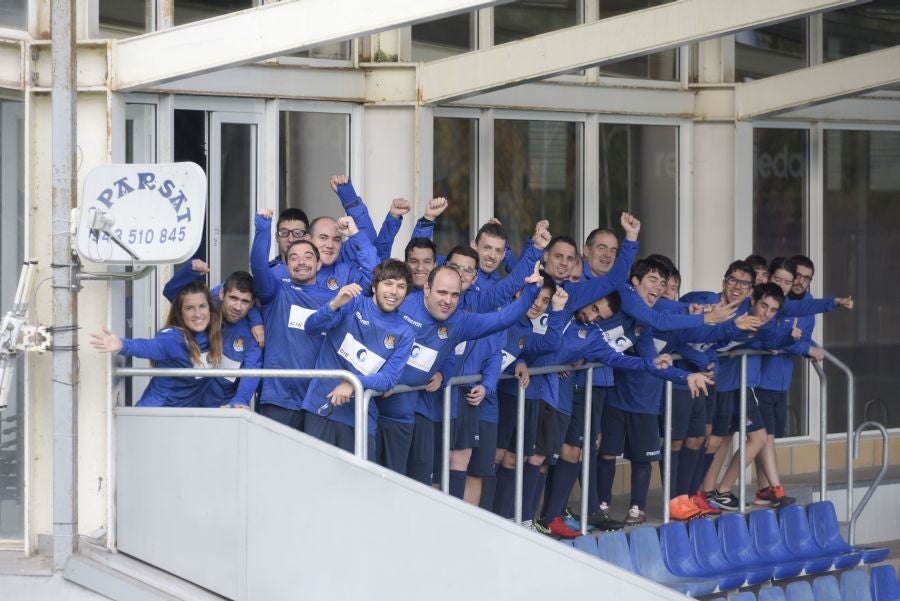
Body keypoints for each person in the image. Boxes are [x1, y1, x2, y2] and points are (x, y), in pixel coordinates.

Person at [301, 260, 416, 457]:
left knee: (357, 478)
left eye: (401, 286)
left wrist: (353, 383)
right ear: (374, 286)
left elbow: (389, 379)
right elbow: (311, 328)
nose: (394, 291)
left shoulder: (405, 332)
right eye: (388, 283)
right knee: (313, 474)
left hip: (360, 420)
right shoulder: (353, 303)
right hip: (320, 407)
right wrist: (335, 303)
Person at [251, 209, 334, 429]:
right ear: (286, 266)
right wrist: (263, 227)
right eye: (294, 258)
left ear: (319, 264)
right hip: (280, 398)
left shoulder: (333, 300)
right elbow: (258, 266)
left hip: (319, 399)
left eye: (308, 257)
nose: (301, 262)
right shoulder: (276, 292)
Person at [90, 280, 223, 407]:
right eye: (189, 308)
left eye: (202, 306)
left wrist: (191, 268)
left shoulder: (213, 334)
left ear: (210, 308)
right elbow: (151, 346)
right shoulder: (173, 338)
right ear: (180, 313)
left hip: (182, 415)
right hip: (155, 413)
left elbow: (228, 289)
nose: (198, 314)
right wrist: (123, 345)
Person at [163, 260, 262, 408]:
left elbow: (252, 371)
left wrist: (240, 400)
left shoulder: (254, 334)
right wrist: (190, 270)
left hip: (219, 410)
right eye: (233, 298)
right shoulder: (203, 312)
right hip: (183, 405)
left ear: (252, 304)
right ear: (222, 294)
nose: (237, 307)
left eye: (244, 301)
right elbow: (171, 293)